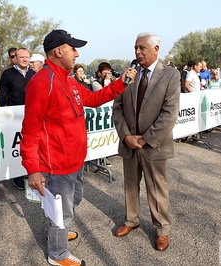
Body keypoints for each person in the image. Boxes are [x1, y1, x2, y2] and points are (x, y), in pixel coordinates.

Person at [20, 29, 137, 266]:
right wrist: (33, 168)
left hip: (75, 160)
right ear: (58, 51)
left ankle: (58, 232)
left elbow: (93, 99)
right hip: (56, 164)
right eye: (73, 48)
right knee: (62, 211)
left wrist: (121, 83)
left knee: (72, 203)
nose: (77, 54)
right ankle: (57, 254)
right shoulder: (42, 82)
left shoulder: (70, 80)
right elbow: (30, 130)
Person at [113, 32, 180, 252]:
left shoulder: (170, 75)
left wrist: (146, 138)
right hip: (130, 142)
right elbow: (118, 109)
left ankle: (162, 230)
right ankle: (131, 220)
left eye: (142, 48)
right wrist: (126, 136)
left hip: (154, 144)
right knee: (130, 185)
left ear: (156, 50)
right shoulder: (129, 75)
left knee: (157, 188)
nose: (138, 52)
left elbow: (169, 113)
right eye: (135, 48)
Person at [0, 47, 35, 190]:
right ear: (16, 58)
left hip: (32, 117)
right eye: (22, 57)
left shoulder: (33, 74)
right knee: (16, 147)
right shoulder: (8, 74)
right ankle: (17, 176)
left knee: (31, 146)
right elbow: (2, 95)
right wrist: (2, 114)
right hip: (13, 118)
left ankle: (31, 173)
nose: (25, 59)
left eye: (27, 57)